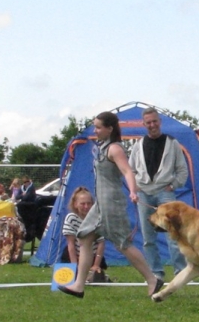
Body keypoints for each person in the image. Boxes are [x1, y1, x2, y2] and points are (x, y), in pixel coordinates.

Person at [58, 111, 163, 299]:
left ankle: (153, 279)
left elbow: (127, 172)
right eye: (95, 126)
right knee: (84, 236)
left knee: (123, 243)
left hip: (111, 204)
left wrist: (132, 190)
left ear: (109, 129)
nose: (95, 130)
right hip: (100, 204)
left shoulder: (115, 149)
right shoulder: (102, 147)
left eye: (98, 127)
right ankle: (79, 285)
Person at [128, 107, 188, 280]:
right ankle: (156, 273)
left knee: (173, 236)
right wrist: (134, 187)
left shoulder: (172, 143)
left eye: (154, 121)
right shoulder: (138, 145)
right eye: (148, 122)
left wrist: (174, 185)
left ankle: (180, 272)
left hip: (165, 193)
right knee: (148, 238)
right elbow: (130, 170)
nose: (152, 125)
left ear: (160, 121)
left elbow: (182, 169)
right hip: (144, 194)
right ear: (144, 124)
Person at [62, 186, 110, 283]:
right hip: (75, 254)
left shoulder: (97, 218)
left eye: (89, 203)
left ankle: (95, 274)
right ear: (75, 204)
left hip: (93, 255)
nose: (86, 207)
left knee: (96, 275)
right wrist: (74, 266)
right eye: (82, 204)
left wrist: (96, 265)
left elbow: (101, 243)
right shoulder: (71, 218)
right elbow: (70, 244)